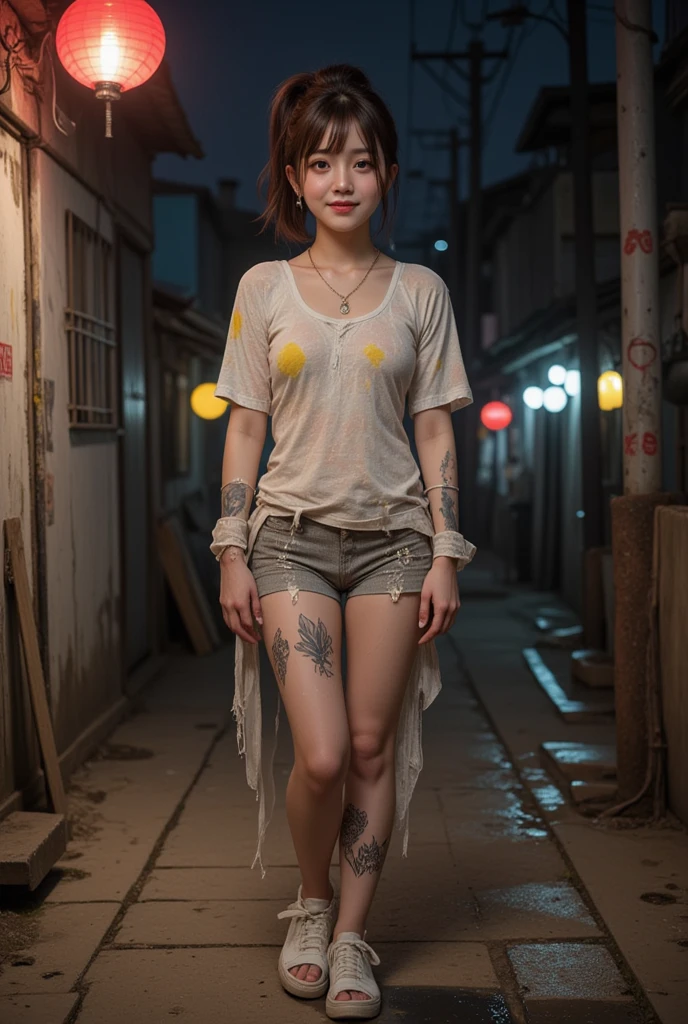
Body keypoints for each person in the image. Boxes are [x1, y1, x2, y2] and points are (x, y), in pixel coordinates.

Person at [210, 64, 475, 1021]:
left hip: (397, 548)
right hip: (287, 540)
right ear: (293, 177)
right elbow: (244, 425)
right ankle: (311, 905)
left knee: (371, 744)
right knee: (320, 754)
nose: (342, 179)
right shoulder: (264, 287)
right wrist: (232, 548)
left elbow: (438, 427)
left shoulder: (421, 293)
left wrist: (448, 549)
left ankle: (356, 936)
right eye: (321, 162)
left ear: (388, 173)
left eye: (361, 161)